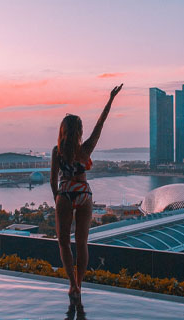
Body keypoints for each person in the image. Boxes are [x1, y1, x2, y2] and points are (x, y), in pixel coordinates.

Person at [50, 84, 123, 302]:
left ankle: (71, 284)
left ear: (62, 130)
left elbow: (52, 179)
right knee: (82, 243)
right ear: (80, 131)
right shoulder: (86, 149)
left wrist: (57, 198)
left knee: (64, 242)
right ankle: (79, 285)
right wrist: (110, 99)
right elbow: (101, 124)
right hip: (83, 193)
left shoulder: (57, 151)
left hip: (65, 193)